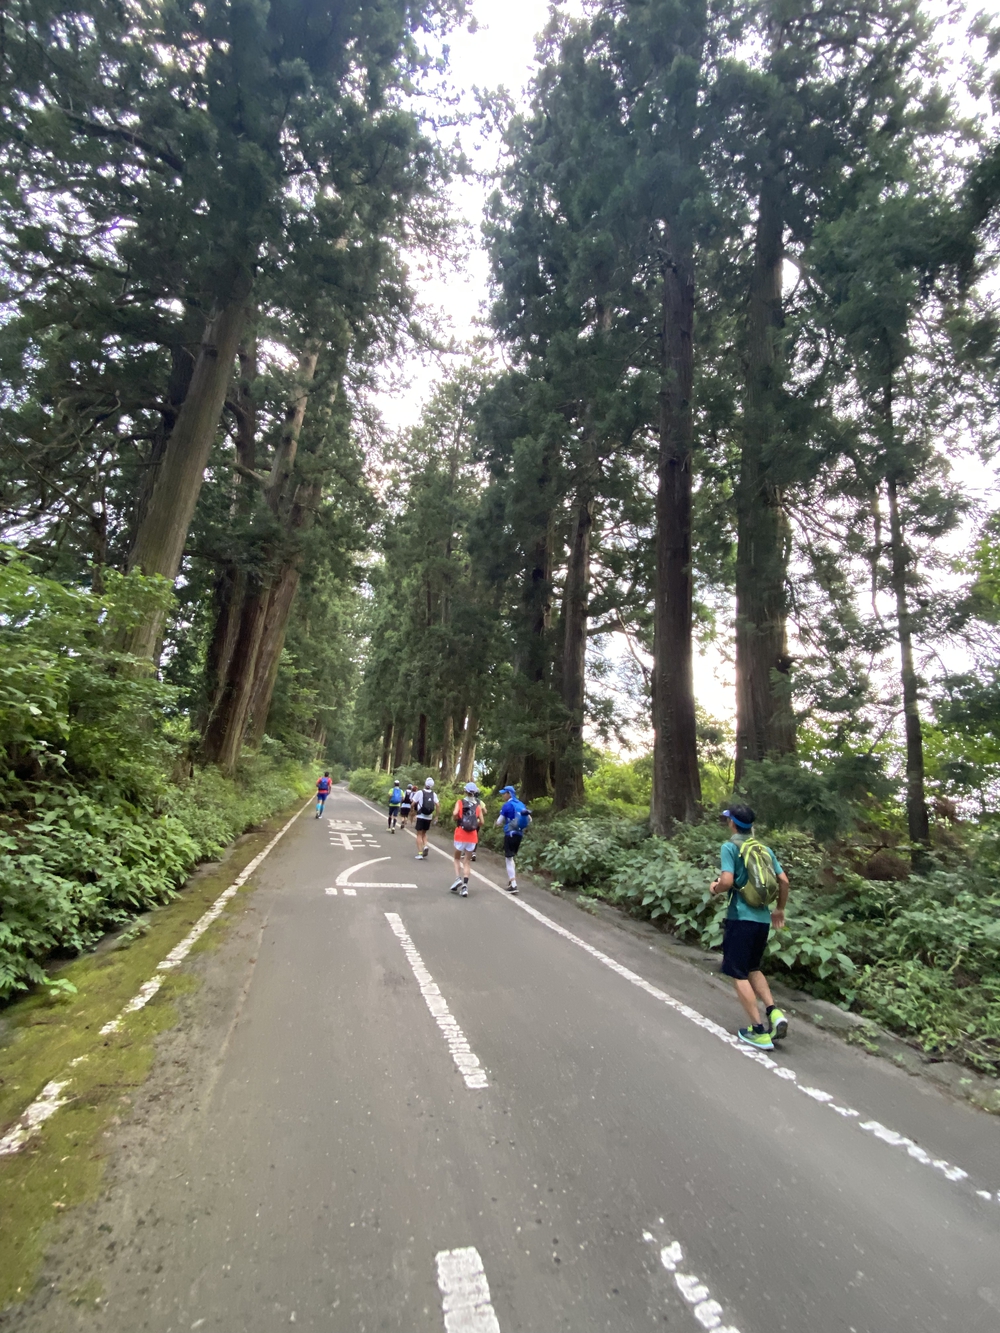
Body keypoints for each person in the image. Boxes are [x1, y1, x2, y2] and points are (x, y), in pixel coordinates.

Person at [709, 804, 790, 1050]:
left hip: (740, 918)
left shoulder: (730, 847)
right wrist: (779, 909)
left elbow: (727, 880)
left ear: (732, 823)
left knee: (738, 972)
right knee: (753, 967)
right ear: (751, 826)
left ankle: (758, 1031)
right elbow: (783, 880)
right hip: (762, 920)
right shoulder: (764, 850)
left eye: (728, 820)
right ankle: (774, 1013)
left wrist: (714, 888)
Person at [495, 784, 532, 893]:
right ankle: (512, 881)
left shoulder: (507, 806)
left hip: (509, 834)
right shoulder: (521, 804)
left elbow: (499, 821)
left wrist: (497, 824)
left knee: (508, 859)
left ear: (509, 794)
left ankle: (514, 884)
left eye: (504, 794)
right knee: (511, 858)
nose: (503, 796)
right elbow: (529, 819)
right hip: (519, 834)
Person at [449, 782, 483, 897]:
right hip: (472, 836)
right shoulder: (478, 805)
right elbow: (482, 822)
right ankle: (465, 886)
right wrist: (475, 823)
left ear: (465, 791)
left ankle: (458, 878)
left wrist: (457, 818)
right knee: (467, 861)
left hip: (460, 834)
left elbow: (454, 814)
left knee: (456, 858)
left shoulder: (460, 802)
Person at [413, 777, 439, 859]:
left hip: (421, 816)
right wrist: (437, 816)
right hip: (429, 817)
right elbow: (438, 805)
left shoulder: (420, 792)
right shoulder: (434, 794)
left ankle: (420, 853)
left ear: (425, 783)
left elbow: (413, 803)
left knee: (419, 834)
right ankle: (425, 846)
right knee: (424, 833)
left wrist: (413, 813)